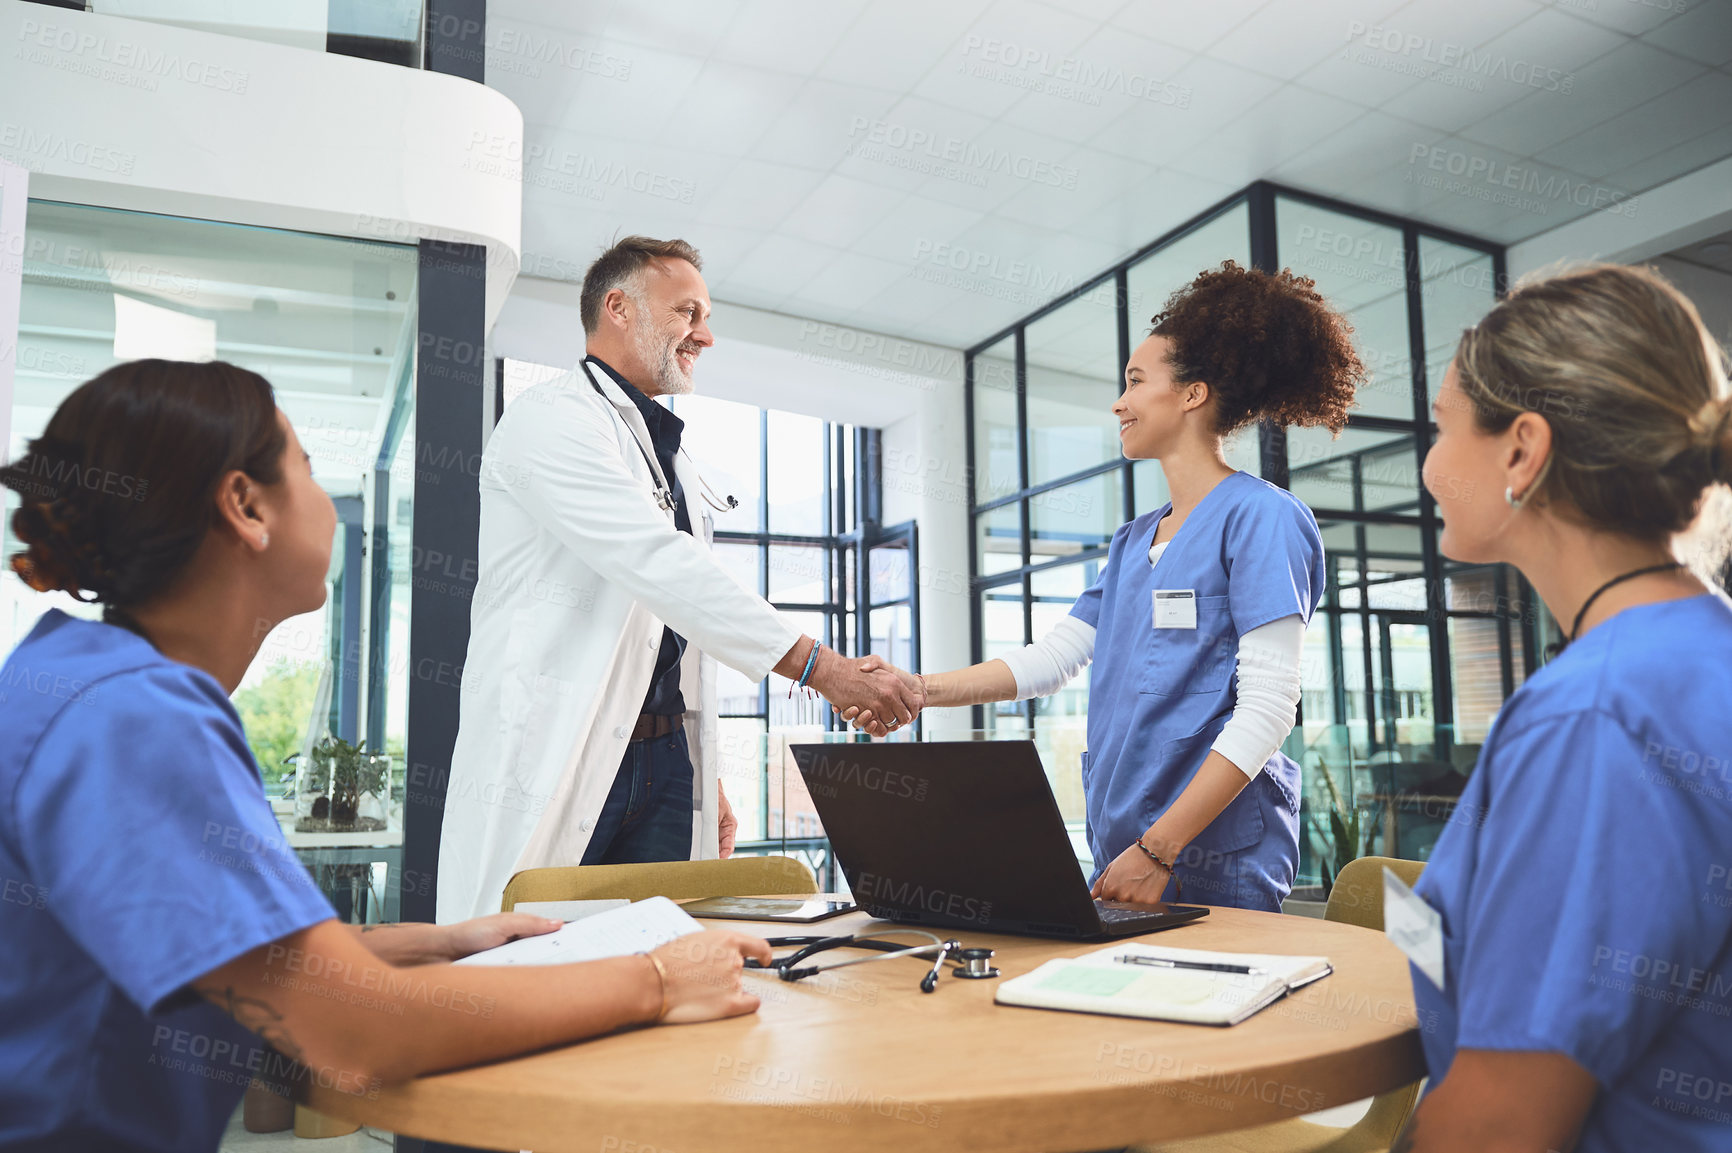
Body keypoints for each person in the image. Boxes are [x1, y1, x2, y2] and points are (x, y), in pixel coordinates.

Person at [0, 360, 774, 1153]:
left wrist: (441, 940)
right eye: (302, 465)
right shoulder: (134, 720)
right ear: (244, 505)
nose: (323, 498)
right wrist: (657, 980)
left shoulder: (80, 685)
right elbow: (353, 1031)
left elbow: (249, 956)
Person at [437, 235, 922, 924]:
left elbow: (674, 627)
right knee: (531, 962)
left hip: (666, 762)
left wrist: (702, 771)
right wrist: (824, 668)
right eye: (688, 311)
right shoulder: (552, 419)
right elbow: (656, 562)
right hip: (562, 751)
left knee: (656, 959)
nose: (706, 335)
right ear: (619, 308)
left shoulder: (671, 456)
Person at [850, 261, 1362, 912]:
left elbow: (1267, 709)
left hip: (1209, 850)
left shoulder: (1262, 517)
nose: (1119, 402)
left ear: (1193, 394)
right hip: (1124, 846)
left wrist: (1161, 849)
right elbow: (1053, 659)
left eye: (1136, 382)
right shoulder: (1130, 543)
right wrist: (921, 689)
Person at [1387, 263, 1732, 1152]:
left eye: (1440, 427)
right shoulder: (1696, 651)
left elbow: (1500, 1124)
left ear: (1521, 451)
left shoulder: (1596, 717)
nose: (1428, 465)